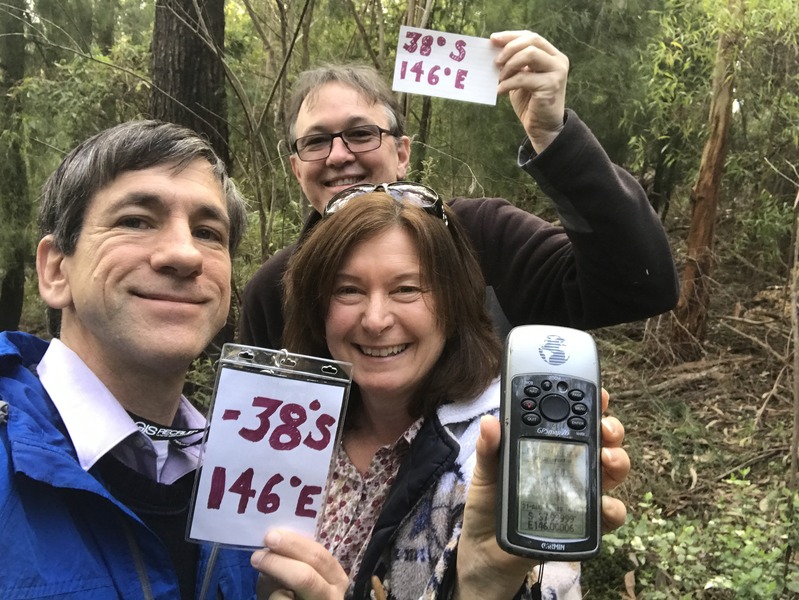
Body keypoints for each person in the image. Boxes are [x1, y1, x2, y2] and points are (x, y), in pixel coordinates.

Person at [249, 185, 631, 600]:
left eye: (407, 289)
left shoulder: (497, 454)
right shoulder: (280, 426)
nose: (375, 319)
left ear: (453, 304)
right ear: (316, 307)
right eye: (348, 290)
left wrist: (484, 589)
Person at [238, 30, 679, 350]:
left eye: (361, 133)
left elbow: (638, 284)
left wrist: (553, 136)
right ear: (297, 169)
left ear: (402, 153)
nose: (338, 156)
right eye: (316, 141)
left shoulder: (485, 238)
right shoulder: (272, 293)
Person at [0, 121, 258, 599]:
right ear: (56, 270)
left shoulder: (247, 481)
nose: (185, 254)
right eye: (135, 221)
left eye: (208, 232)